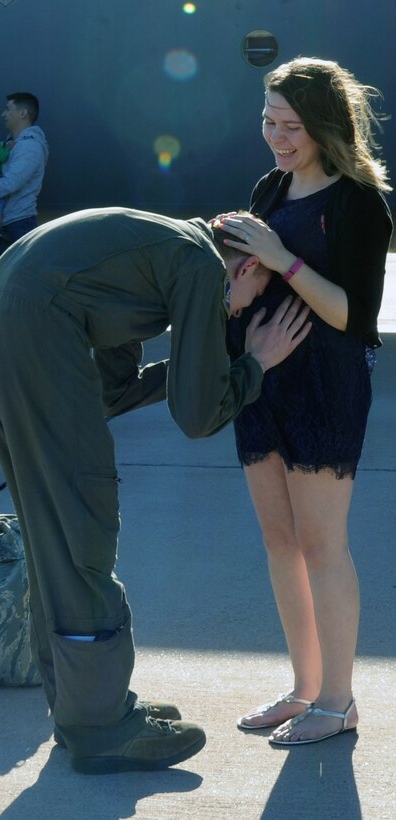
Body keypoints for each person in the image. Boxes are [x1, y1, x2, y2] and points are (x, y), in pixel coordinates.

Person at [0, 205, 311, 774]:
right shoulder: (201, 266)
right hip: (34, 342)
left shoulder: (158, 248)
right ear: (246, 267)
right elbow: (199, 416)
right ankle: (102, 727)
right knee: (82, 531)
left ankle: (83, 709)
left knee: (53, 535)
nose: (242, 309)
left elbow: (112, 390)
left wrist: (217, 362)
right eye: (253, 295)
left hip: (4, 337)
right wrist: (254, 363)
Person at [221, 57, 393, 745]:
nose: (277, 137)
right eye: (268, 121)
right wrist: (239, 290)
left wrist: (280, 257)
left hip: (326, 384)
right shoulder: (269, 187)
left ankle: (339, 701)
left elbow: (356, 315)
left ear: (325, 125)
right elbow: (244, 290)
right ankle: (304, 689)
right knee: (280, 541)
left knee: (322, 543)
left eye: (292, 125)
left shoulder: (360, 202)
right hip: (262, 379)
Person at [0, 92, 48, 274]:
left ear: (23, 113)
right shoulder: (8, 143)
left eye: (7, 109)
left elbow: (10, 184)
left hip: (15, 227)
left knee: (13, 288)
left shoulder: (31, 146)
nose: (3, 114)